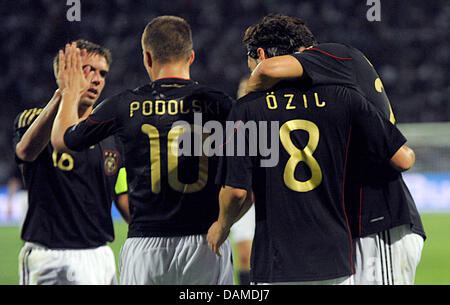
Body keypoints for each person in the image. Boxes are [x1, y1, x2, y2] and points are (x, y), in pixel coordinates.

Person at [207, 15, 416, 285]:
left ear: (260, 54)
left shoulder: (335, 59)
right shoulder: (342, 95)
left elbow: (238, 191)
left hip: (375, 218)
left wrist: (248, 100)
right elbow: (404, 157)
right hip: (340, 252)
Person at [51, 16, 235, 285]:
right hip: (206, 241)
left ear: (147, 58)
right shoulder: (221, 105)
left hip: (146, 245)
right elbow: (249, 176)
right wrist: (225, 223)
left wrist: (68, 91)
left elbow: (63, 140)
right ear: (191, 56)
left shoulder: (123, 105)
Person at [14, 40, 129, 285]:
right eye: (87, 70)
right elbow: (25, 152)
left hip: (100, 256)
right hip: (51, 257)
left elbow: (122, 194)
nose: (97, 79)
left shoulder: (113, 136)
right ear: (65, 73)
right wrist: (64, 95)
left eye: (102, 73)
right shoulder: (35, 120)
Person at [228, 75, 255, 285]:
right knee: (245, 254)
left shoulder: (270, 122)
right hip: (243, 194)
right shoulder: (232, 126)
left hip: (267, 196)